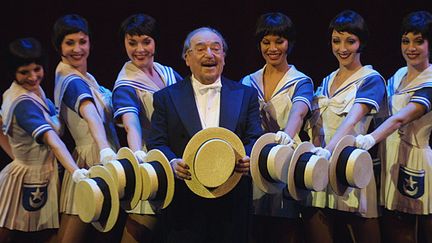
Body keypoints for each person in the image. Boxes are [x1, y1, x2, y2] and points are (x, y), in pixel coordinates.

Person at [147, 27, 262, 243]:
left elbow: (254, 137)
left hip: (233, 200)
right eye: (200, 49)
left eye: (216, 49)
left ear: (224, 58)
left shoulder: (245, 94)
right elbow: (156, 142)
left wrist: (248, 156)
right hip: (184, 202)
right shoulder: (166, 97)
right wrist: (171, 162)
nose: (209, 54)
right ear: (187, 58)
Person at [304, 10, 386, 243]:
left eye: (350, 41)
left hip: (352, 168)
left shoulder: (370, 78)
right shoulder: (327, 80)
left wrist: (327, 151)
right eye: (336, 41)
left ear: (361, 43)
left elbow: (352, 120)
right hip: (321, 167)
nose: (342, 48)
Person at [0, 38, 88, 243]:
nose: (32, 77)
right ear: (13, 73)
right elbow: (53, 141)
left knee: (46, 233)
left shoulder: (33, 90)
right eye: (24, 72)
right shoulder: (23, 102)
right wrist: (76, 171)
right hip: (27, 179)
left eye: (37, 69)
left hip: (44, 173)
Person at [355, 10, 432, 243]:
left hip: (418, 161)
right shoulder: (398, 76)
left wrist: (371, 139)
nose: (411, 48)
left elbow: (400, 118)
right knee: (398, 228)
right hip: (392, 158)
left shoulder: (430, 80)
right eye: (405, 41)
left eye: (419, 42)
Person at [241, 12, 313, 243]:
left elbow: (299, 112)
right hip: (255, 162)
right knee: (256, 227)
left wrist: (285, 137)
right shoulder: (248, 82)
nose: (272, 48)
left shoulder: (300, 80)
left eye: (279, 41)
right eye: (266, 42)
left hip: (287, 160)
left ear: (289, 43)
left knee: (286, 228)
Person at [112, 13, 182, 243]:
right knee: (140, 227)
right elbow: (132, 126)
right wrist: (138, 157)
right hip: (149, 160)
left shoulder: (168, 73)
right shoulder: (125, 84)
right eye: (132, 43)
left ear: (155, 42)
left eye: (146, 42)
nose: (139, 49)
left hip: (177, 159)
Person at [51, 14, 120, 242]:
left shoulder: (85, 76)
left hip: (101, 156)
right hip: (91, 161)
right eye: (69, 43)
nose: (77, 49)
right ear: (58, 45)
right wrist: (105, 151)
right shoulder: (72, 80)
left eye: (82, 41)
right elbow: (91, 115)